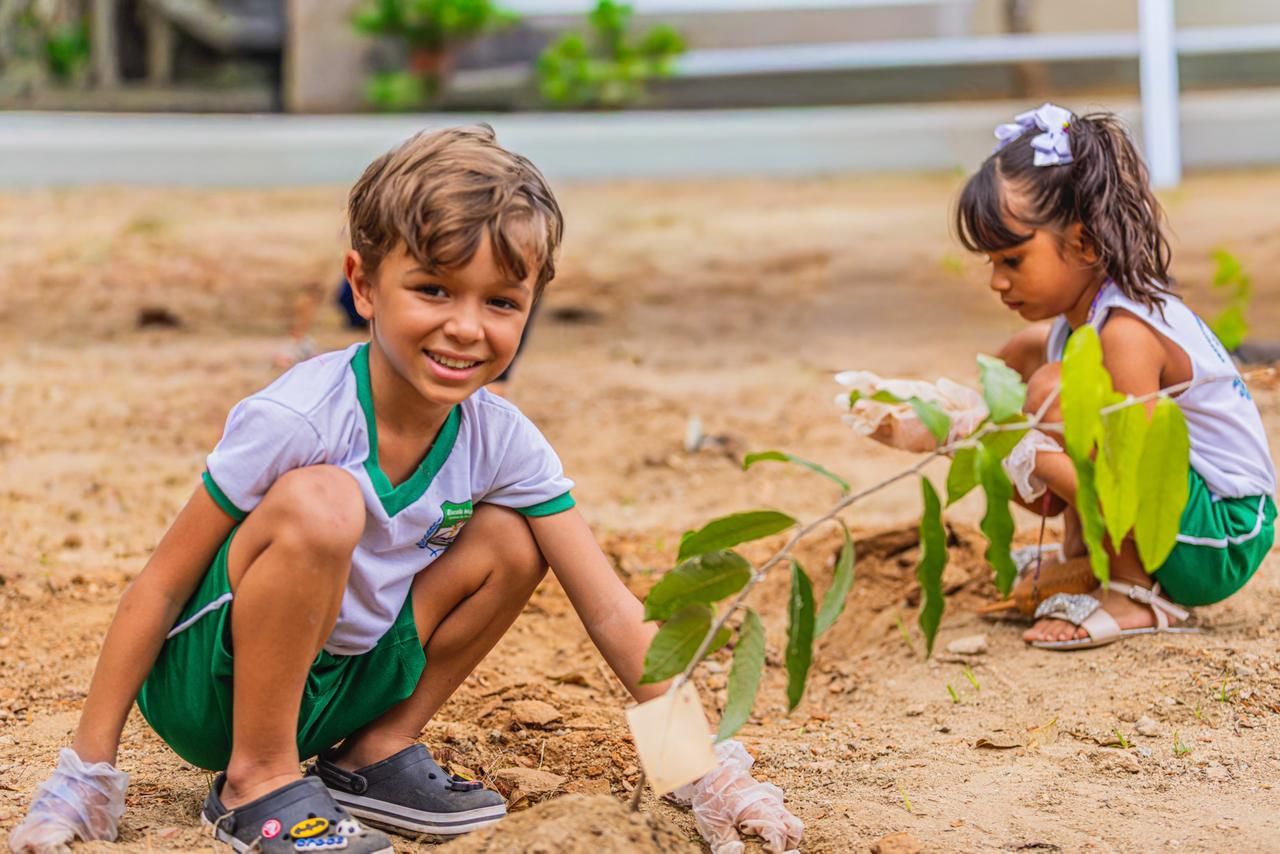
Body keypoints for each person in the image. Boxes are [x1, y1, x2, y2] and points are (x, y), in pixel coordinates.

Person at [10, 126, 802, 854]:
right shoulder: (296, 417)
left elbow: (607, 607)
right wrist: (86, 776)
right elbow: (160, 585)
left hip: (345, 679)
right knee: (325, 504)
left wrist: (706, 770)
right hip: (210, 686)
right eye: (434, 289)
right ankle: (257, 779)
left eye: (501, 302)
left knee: (518, 537)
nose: (466, 326)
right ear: (363, 284)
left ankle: (371, 754)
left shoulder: (502, 439)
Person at [954, 103, 1277, 649]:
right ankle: (1085, 560)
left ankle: (1132, 593)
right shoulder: (1069, 326)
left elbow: (1134, 480)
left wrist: (1030, 452)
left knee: (1053, 397)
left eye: (1011, 260)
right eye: (989, 262)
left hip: (1223, 534)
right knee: (1027, 384)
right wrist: (967, 424)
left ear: (1082, 244)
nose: (996, 282)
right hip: (1176, 513)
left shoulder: (1126, 333)